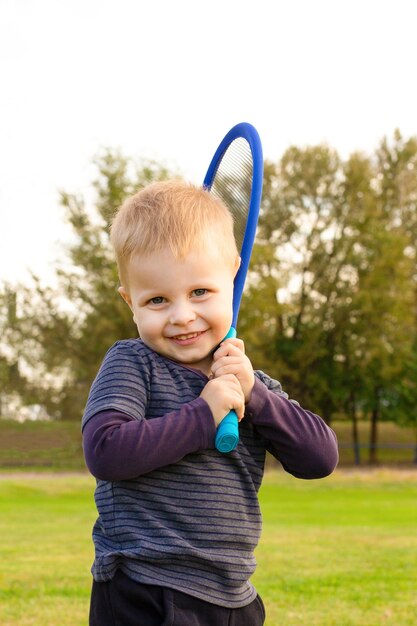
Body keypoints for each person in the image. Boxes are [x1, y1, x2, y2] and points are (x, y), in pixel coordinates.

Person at [82, 180, 339, 626]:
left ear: (233, 276)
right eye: (157, 300)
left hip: (233, 594)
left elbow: (320, 458)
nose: (182, 315)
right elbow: (105, 451)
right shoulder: (132, 362)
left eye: (200, 292)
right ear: (130, 301)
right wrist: (204, 415)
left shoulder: (247, 381)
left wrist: (255, 397)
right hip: (145, 588)